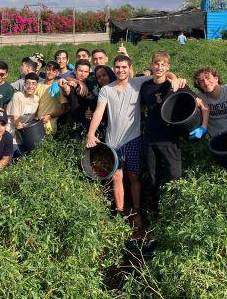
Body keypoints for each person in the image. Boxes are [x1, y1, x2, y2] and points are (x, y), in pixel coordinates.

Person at [86, 55, 182, 225]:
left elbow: (162, 74)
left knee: (133, 176)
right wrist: (91, 134)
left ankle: (136, 211)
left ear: (129, 68)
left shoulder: (138, 83)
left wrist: (174, 79)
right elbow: (99, 112)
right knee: (116, 176)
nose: (120, 70)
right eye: (117, 67)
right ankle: (120, 211)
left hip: (132, 138)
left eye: (124, 67)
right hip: (111, 140)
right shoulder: (106, 90)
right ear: (113, 68)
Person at [140, 51, 208, 213]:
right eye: (156, 64)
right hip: (150, 139)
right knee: (153, 178)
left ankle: (175, 212)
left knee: (175, 177)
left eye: (163, 65)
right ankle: (155, 213)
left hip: (170, 140)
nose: (159, 67)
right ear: (151, 65)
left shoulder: (178, 85)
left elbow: (203, 105)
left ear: (168, 67)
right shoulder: (145, 86)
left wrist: (203, 127)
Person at [6, 73, 40, 154]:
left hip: (25, 132)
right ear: (24, 84)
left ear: (37, 85)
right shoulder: (18, 96)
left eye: (33, 83)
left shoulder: (37, 99)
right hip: (13, 132)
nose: (30, 86)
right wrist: (27, 140)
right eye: (28, 83)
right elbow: (16, 120)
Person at [59, 59, 94, 130]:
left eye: (85, 72)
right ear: (75, 71)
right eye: (80, 71)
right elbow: (66, 90)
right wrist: (63, 83)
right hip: (75, 125)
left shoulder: (92, 84)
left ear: (89, 73)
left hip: (91, 125)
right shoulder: (72, 85)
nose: (83, 74)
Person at [35, 61, 68, 133]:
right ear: (45, 70)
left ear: (57, 73)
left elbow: (65, 109)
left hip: (50, 125)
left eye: (54, 71)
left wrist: (50, 116)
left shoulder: (58, 87)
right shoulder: (38, 85)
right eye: (48, 69)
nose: (50, 72)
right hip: (37, 123)